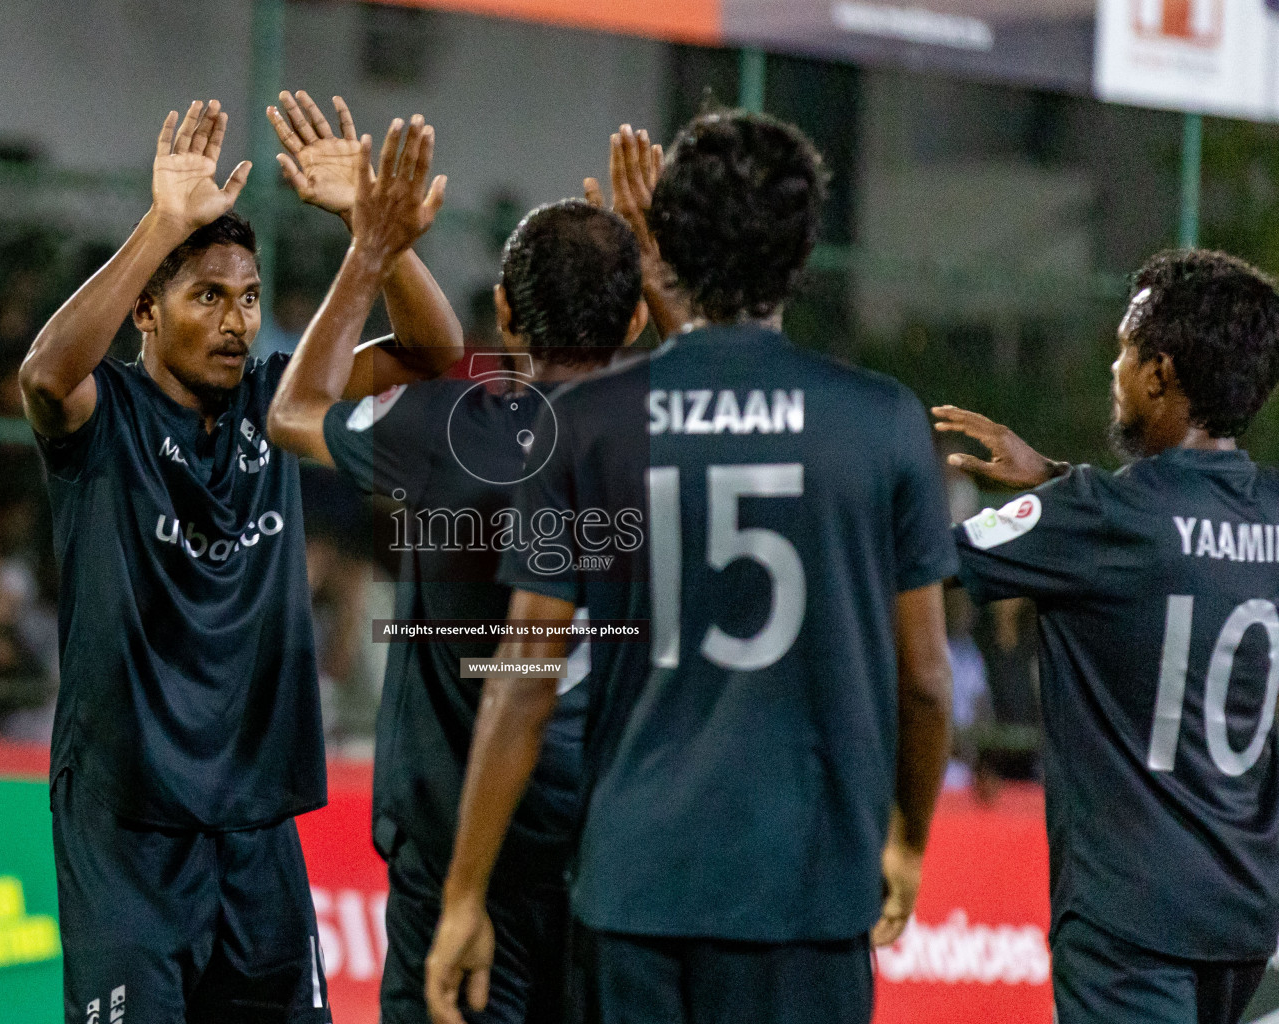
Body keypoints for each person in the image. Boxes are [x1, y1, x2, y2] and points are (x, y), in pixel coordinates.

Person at [425, 110, 957, 1024]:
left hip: (639, 887)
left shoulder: (587, 425)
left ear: (661, 244)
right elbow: (928, 683)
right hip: (812, 890)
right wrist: (907, 839)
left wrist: (464, 894)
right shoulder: (884, 422)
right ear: (804, 250)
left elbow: (522, 683)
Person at [17, 98, 461, 1023]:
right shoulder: (109, 418)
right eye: (208, 296)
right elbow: (44, 378)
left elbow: (433, 353)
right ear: (148, 307)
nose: (236, 321)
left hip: (253, 821)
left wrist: (370, 233)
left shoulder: (275, 400)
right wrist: (162, 225)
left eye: (249, 298)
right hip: (128, 824)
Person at [264, 92, 663, 1023]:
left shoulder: (452, 426)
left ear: (505, 314)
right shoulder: (675, 436)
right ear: (637, 319)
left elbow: (293, 410)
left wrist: (372, 245)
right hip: (614, 851)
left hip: (459, 849)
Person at [934, 248, 1279, 1024]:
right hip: (1243, 915)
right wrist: (1059, 482)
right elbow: (1177, 538)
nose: (1113, 370)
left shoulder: (1099, 516)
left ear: (1160, 375)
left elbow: (922, 562)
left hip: (1131, 919)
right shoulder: (1268, 511)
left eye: (1125, 351)